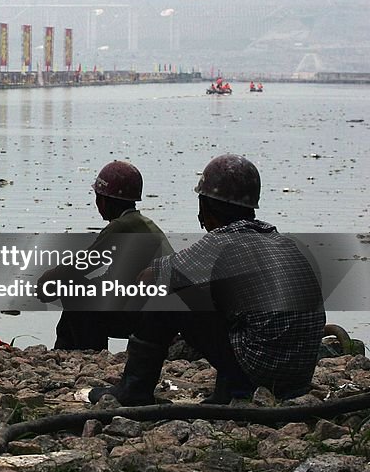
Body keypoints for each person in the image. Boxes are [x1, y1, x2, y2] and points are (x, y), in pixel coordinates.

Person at [89, 154, 325, 405]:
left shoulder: (221, 242)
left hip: (259, 373)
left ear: (207, 206)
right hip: (298, 377)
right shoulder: (283, 242)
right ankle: (227, 390)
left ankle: (133, 389)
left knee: (172, 295)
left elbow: (148, 279)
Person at [37, 160, 173, 350]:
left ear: (103, 200)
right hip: (162, 313)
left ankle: (90, 353)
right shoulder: (143, 223)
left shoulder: (122, 226)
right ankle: (66, 351)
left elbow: (82, 264)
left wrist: (48, 281)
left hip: (149, 317)